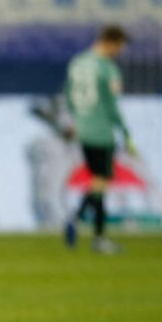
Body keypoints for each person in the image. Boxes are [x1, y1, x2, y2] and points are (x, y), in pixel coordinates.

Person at [64, 25, 134, 254]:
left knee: (98, 180)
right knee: (101, 182)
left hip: (83, 130)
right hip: (102, 131)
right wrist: (125, 133)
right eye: (120, 46)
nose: (120, 52)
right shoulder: (108, 69)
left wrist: (76, 121)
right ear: (111, 42)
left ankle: (91, 230)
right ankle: (88, 228)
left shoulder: (77, 63)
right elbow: (112, 106)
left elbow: (68, 95)